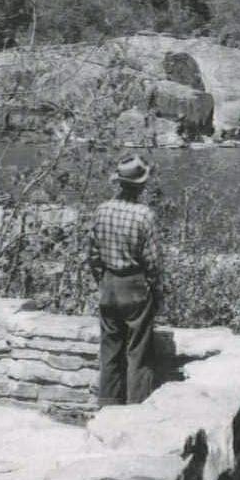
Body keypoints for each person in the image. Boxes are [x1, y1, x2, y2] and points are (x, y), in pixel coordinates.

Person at [87, 153, 160, 406]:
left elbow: (93, 254)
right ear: (142, 185)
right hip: (134, 285)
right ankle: (136, 408)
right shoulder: (144, 215)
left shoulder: (102, 209)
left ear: (119, 183)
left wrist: (103, 281)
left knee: (109, 350)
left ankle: (107, 405)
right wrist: (155, 289)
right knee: (138, 352)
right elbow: (152, 262)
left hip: (108, 284)